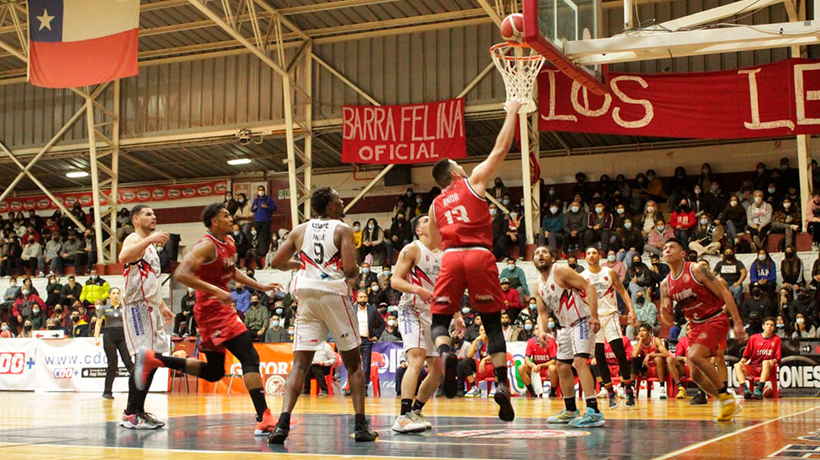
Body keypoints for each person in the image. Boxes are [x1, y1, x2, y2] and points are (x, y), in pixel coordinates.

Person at [133, 203, 280, 437]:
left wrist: (259, 285)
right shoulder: (205, 245)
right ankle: (264, 417)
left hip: (220, 308)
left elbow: (231, 272)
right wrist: (216, 290)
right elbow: (181, 274)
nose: (231, 219)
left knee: (214, 372)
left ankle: (155, 359)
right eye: (226, 216)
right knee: (249, 356)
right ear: (214, 222)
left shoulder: (229, 242)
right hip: (212, 311)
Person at [427, 99, 521, 422]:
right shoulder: (474, 181)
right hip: (480, 255)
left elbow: (436, 242)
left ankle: (446, 354)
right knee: (493, 324)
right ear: (455, 172)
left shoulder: (435, 204)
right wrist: (512, 111)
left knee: (439, 323)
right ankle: (503, 385)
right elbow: (500, 147)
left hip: (451, 257)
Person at [265, 187, 378, 443]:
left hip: (305, 295)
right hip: (332, 295)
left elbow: (276, 263)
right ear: (329, 206)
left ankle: (282, 424)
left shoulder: (300, 230)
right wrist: (356, 271)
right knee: (354, 364)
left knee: (300, 364)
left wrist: (301, 264)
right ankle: (360, 426)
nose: (342, 201)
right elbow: (349, 269)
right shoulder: (342, 229)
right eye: (339, 199)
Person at [660, 239, 745, 421]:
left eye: (672, 246)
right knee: (696, 375)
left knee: (694, 356)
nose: (667, 249)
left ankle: (725, 396)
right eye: (665, 247)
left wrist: (737, 323)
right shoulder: (665, 284)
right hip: (695, 325)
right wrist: (664, 312)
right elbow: (669, 320)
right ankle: (727, 403)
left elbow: (725, 293)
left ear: (683, 253)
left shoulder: (696, 269)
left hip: (715, 318)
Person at [116, 205, 174, 430]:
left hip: (151, 306)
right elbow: (123, 257)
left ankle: (138, 410)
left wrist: (162, 305)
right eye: (148, 214)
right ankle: (131, 412)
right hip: (136, 306)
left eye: (154, 214)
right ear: (136, 219)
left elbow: (150, 280)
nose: (154, 217)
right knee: (143, 359)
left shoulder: (150, 250)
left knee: (154, 360)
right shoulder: (133, 238)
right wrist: (150, 240)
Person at [532, 246, 603, 428]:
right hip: (565, 326)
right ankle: (570, 409)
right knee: (562, 366)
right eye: (537, 253)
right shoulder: (537, 285)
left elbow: (589, 286)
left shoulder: (560, 270)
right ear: (533, 261)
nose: (541, 255)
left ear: (552, 257)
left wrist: (594, 315)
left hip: (582, 319)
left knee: (579, 362)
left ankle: (593, 411)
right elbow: (542, 313)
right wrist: (541, 330)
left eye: (544, 252)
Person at [389, 215, 442, 433]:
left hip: (435, 313)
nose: (432, 221)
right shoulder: (412, 249)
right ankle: (402, 416)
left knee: (438, 370)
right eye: (426, 220)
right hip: (412, 309)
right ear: (419, 230)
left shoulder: (444, 253)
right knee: (417, 359)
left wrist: (457, 314)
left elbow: (446, 286)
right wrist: (418, 289)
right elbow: (395, 280)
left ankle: (417, 410)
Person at [582, 246, 637, 409]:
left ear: (600, 256)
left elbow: (622, 291)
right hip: (593, 319)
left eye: (594, 253)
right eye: (588, 253)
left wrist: (632, 310)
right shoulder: (582, 277)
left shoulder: (609, 273)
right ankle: (610, 393)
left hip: (610, 315)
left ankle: (628, 390)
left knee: (620, 353)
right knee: (599, 357)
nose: (591, 256)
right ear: (585, 258)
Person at [94, 288, 132, 400]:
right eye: (114, 293)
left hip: (122, 336)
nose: (116, 295)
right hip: (109, 336)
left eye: (118, 293)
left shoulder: (124, 308)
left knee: (128, 362)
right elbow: (98, 324)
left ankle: (138, 387)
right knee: (112, 364)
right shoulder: (104, 309)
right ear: (109, 296)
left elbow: (129, 323)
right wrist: (96, 337)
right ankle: (107, 392)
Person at [735, 317, 781, 399]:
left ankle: (759, 389)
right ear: (763, 326)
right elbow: (746, 356)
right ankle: (745, 390)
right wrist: (740, 364)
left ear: (774, 328)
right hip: (753, 367)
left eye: (771, 325)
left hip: (768, 368)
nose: (769, 327)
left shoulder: (777, 339)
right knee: (737, 365)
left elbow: (777, 359)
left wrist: (771, 361)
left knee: (765, 362)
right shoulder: (753, 338)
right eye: (767, 324)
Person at [630, 323, 670, 399]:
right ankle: (632, 387)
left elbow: (666, 353)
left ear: (649, 332)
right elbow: (634, 355)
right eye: (640, 331)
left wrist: (650, 355)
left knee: (657, 359)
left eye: (644, 330)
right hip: (646, 369)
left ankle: (662, 388)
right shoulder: (639, 344)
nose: (641, 332)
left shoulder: (655, 340)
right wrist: (640, 341)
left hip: (658, 367)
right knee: (634, 360)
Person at [518, 328, 558, 397]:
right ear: (534, 332)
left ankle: (552, 392)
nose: (538, 331)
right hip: (536, 368)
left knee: (552, 368)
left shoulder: (551, 341)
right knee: (521, 368)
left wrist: (541, 365)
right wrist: (533, 366)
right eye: (536, 329)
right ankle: (532, 392)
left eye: (540, 329)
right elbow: (526, 359)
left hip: (546, 367)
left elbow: (554, 360)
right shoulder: (531, 341)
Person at [667, 323, 691, 400]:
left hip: (699, 367)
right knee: (669, 359)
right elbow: (677, 357)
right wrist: (684, 358)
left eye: (691, 329)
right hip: (686, 368)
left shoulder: (701, 340)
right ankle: (680, 388)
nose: (689, 331)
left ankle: (702, 391)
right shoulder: (683, 340)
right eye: (687, 329)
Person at [250, 185, 276, 256]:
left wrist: (267, 207)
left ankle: (266, 251)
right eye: (259, 190)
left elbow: (274, 208)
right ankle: (258, 250)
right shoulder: (256, 200)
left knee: (265, 236)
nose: (260, 191)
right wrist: (254, 208)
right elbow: (251, 209)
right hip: (257, 220)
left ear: (264, 191)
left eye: (262, 190)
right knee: (257, 236)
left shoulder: (268, 199)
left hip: (266, 220)